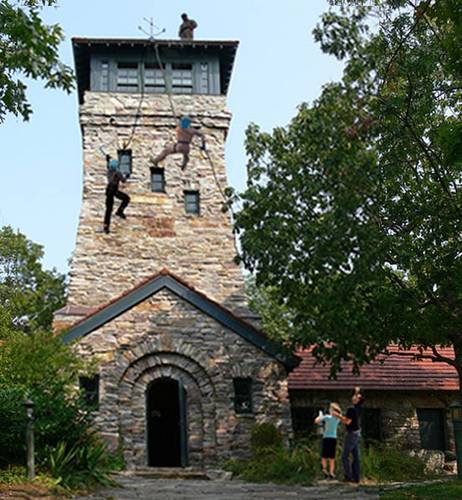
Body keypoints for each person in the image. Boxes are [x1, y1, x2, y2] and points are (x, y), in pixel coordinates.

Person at [337, 386, 365, 484]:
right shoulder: (359, 408)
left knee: (345, 456)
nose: (353, 397)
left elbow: (347, 422)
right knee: (356, 456)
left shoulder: (351, 409)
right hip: (357, 433)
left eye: (356, 396)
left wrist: (338, 416)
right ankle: (356, 477)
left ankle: (348, 476)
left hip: (352, 434)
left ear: (359, 399)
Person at [103, 154, 130, 234]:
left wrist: (107, 159)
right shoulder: (117, 172)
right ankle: (120, 211)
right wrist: (127, 176)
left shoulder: (109, 171)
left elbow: (108, 165)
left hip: (108, 191)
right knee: (126, 198)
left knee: (108, 210)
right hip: (114, 190)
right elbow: (123, 180)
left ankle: (106, 226)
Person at [315, 403, 342, 479]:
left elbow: (316, 421)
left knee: (324, 456)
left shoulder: (327, 417)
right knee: (331, 457)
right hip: (333, 438)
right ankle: (331, 472)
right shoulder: (337, 419)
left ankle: (325, 470)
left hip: (326, 438)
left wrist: (320, 416)